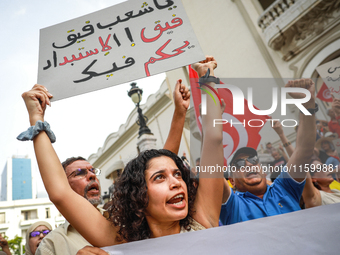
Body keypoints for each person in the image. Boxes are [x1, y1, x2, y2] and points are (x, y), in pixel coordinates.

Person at [20, 56, 224, 250]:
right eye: (160, 177)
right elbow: (60, 193)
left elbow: (213, 139)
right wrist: (36, 118)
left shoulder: (203, 221)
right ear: (139, 195)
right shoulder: (122, 243)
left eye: (177, 174)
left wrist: (207, 78)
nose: (176, 182)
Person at [220, 78, 316, 225]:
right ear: (231, 180)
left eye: (253, 160)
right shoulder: (232, 206)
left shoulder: (285, 188)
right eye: (239, 163)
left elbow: (304, 149)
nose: (248, 164)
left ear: (263, 170)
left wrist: (307, 105)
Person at [35, 157, 102, 255]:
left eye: (93, 171)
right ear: (64, 186)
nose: (92, 175)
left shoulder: (120, 222)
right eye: (80, 173)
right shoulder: (50, 245)